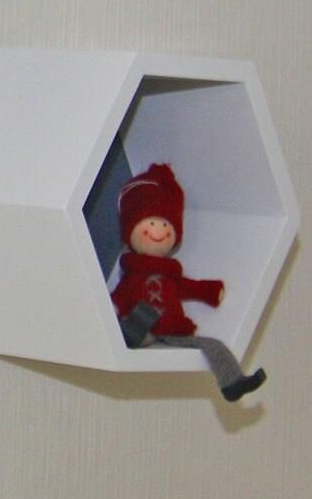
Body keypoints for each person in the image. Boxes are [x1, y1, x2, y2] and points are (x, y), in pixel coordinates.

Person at [111, 163, 267, 402]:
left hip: (174, 330)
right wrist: (110, 310)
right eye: (151, 223)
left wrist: (209, 290)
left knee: (213, 345)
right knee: (138, 321)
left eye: (165, 224)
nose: (159, 231)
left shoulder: (171, 275)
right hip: (144, 332)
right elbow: (118, 298)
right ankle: (131, 333)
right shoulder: (133, 275)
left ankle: (234, 383)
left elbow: (188, 287)